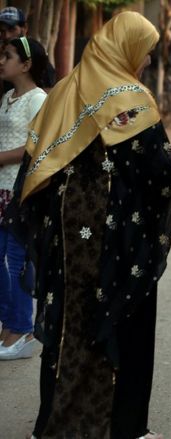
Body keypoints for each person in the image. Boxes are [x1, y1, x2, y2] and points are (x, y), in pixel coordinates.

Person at [7, 12, 171, 439]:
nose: (146, 62)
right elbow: (156, 170)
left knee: (70, 318)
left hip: (65, 228)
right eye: (145, 52)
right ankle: (125, 426)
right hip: (113, 231)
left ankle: (54, 423)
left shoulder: (65, 91)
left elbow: (37, 162)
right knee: (122, 311)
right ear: (126, 48)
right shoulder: (128, 96)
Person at [0, 37, 48, 360]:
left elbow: (36, 146)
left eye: (8, 56)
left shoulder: (39, 100)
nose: (1, 61)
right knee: (1, 262)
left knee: (14, 262)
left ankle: (21, 329)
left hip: (21, 191)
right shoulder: (6, 98)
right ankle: (9, 326)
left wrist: (0, 158)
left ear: (27, 65)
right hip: (0, 190)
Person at [0, 7, 56, 91]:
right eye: (2, 31)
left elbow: (48, 94)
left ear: (24, 28)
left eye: (12, 29)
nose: (6, 35)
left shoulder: (35, 54)